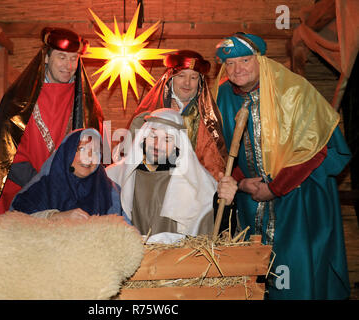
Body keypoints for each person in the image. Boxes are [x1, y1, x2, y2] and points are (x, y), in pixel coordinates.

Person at [213, 32, 351, 299]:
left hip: (297, 197)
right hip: (250, 199)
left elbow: (317, 148)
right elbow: (219, 148)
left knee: (296, 271)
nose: (236, 69)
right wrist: (242, 182)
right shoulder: (223, 96)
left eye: (244, 60)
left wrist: (276, 188)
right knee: (253, 272)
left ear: (260, 60)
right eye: (229, 64)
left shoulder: (292, 90)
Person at [0, 28, 105, 219]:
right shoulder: (17, 100)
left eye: (73, 58)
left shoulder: (87, 105)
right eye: (61, 57)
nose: (68, 65)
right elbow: (5, 154)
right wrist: (43, 184)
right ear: (47, 58)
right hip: (22, 192)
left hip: (70, 195)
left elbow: (97, 154)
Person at [106, 108, 237, 241]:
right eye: (153, 136)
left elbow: (217, 232)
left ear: (177, 144)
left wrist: (225, 204)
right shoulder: (114, 176)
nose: (158, 145)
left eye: (167, 139)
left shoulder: (199, 183)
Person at [127, 50, 227, 181]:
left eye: (193, 77)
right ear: (170, 78)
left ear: (200, 82)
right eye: (181, 76)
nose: (187, 83)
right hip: (152, 183)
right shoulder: (151, 112)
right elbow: (131, 153)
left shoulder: (205, 120)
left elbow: (214, 164)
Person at [11, 128, 124, 221]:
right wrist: (55, 217)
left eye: (95, 152)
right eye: (82, 149)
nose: (89, 157)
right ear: (67, 153)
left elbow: (122, 230)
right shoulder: (43, 186)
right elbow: (15, 220)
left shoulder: (109, 190)